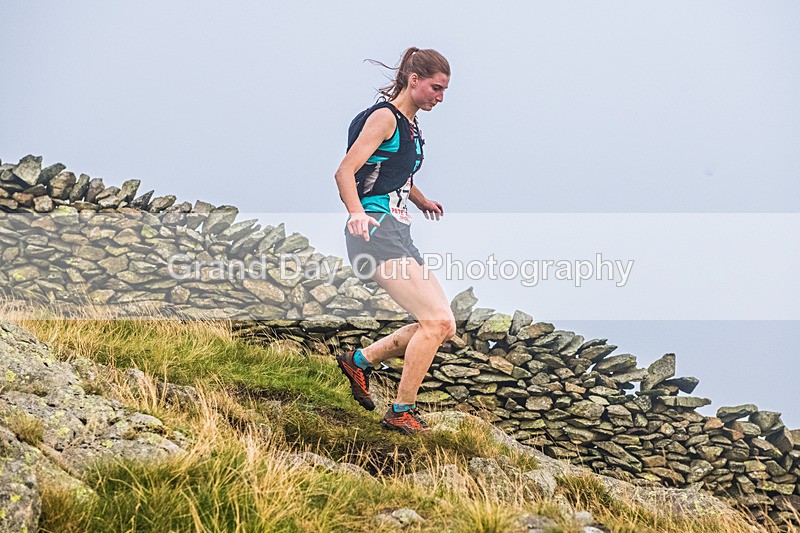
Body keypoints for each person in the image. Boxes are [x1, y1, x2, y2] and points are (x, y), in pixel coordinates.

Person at [333, 47, 456, 435]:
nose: (440, 97)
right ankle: (401, 411)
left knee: (444, 325)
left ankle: (359, 361)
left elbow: (395, 172)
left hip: (398, 229)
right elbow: (346, 171)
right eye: (436, 88)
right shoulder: (385, 118)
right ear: (413, 79)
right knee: (434, 321)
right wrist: (356, 213)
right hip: (374, 230)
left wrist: (421, 200)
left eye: (445, 90)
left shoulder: (411, 124)